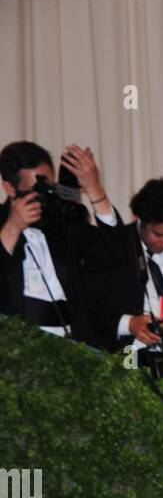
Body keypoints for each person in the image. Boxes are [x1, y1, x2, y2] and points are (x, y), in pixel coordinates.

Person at [0, 139, 121, 344]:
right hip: (15, 351)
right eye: (35, 188)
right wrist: (13, 227)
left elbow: (116, 252)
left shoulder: (62, 225)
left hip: (72, 346)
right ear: (10, 188)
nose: (44, 195)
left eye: (48, 186)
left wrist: (94, 188)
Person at [83, 176, 163, 354]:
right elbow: (91, 305)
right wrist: (129, 324)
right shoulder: (114, 246)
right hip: (129, 355)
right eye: (158, 235)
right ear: (140, 220)